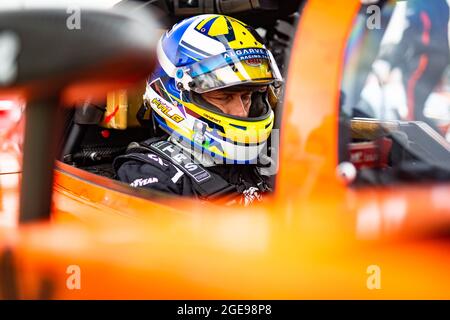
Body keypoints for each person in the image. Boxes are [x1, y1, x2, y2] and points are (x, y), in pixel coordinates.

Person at [113, 14, 283, 205]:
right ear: (175, 95)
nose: (241, 112)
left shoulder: (272, 157)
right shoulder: (154, 176)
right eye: (223, 97)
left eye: (246, 97)